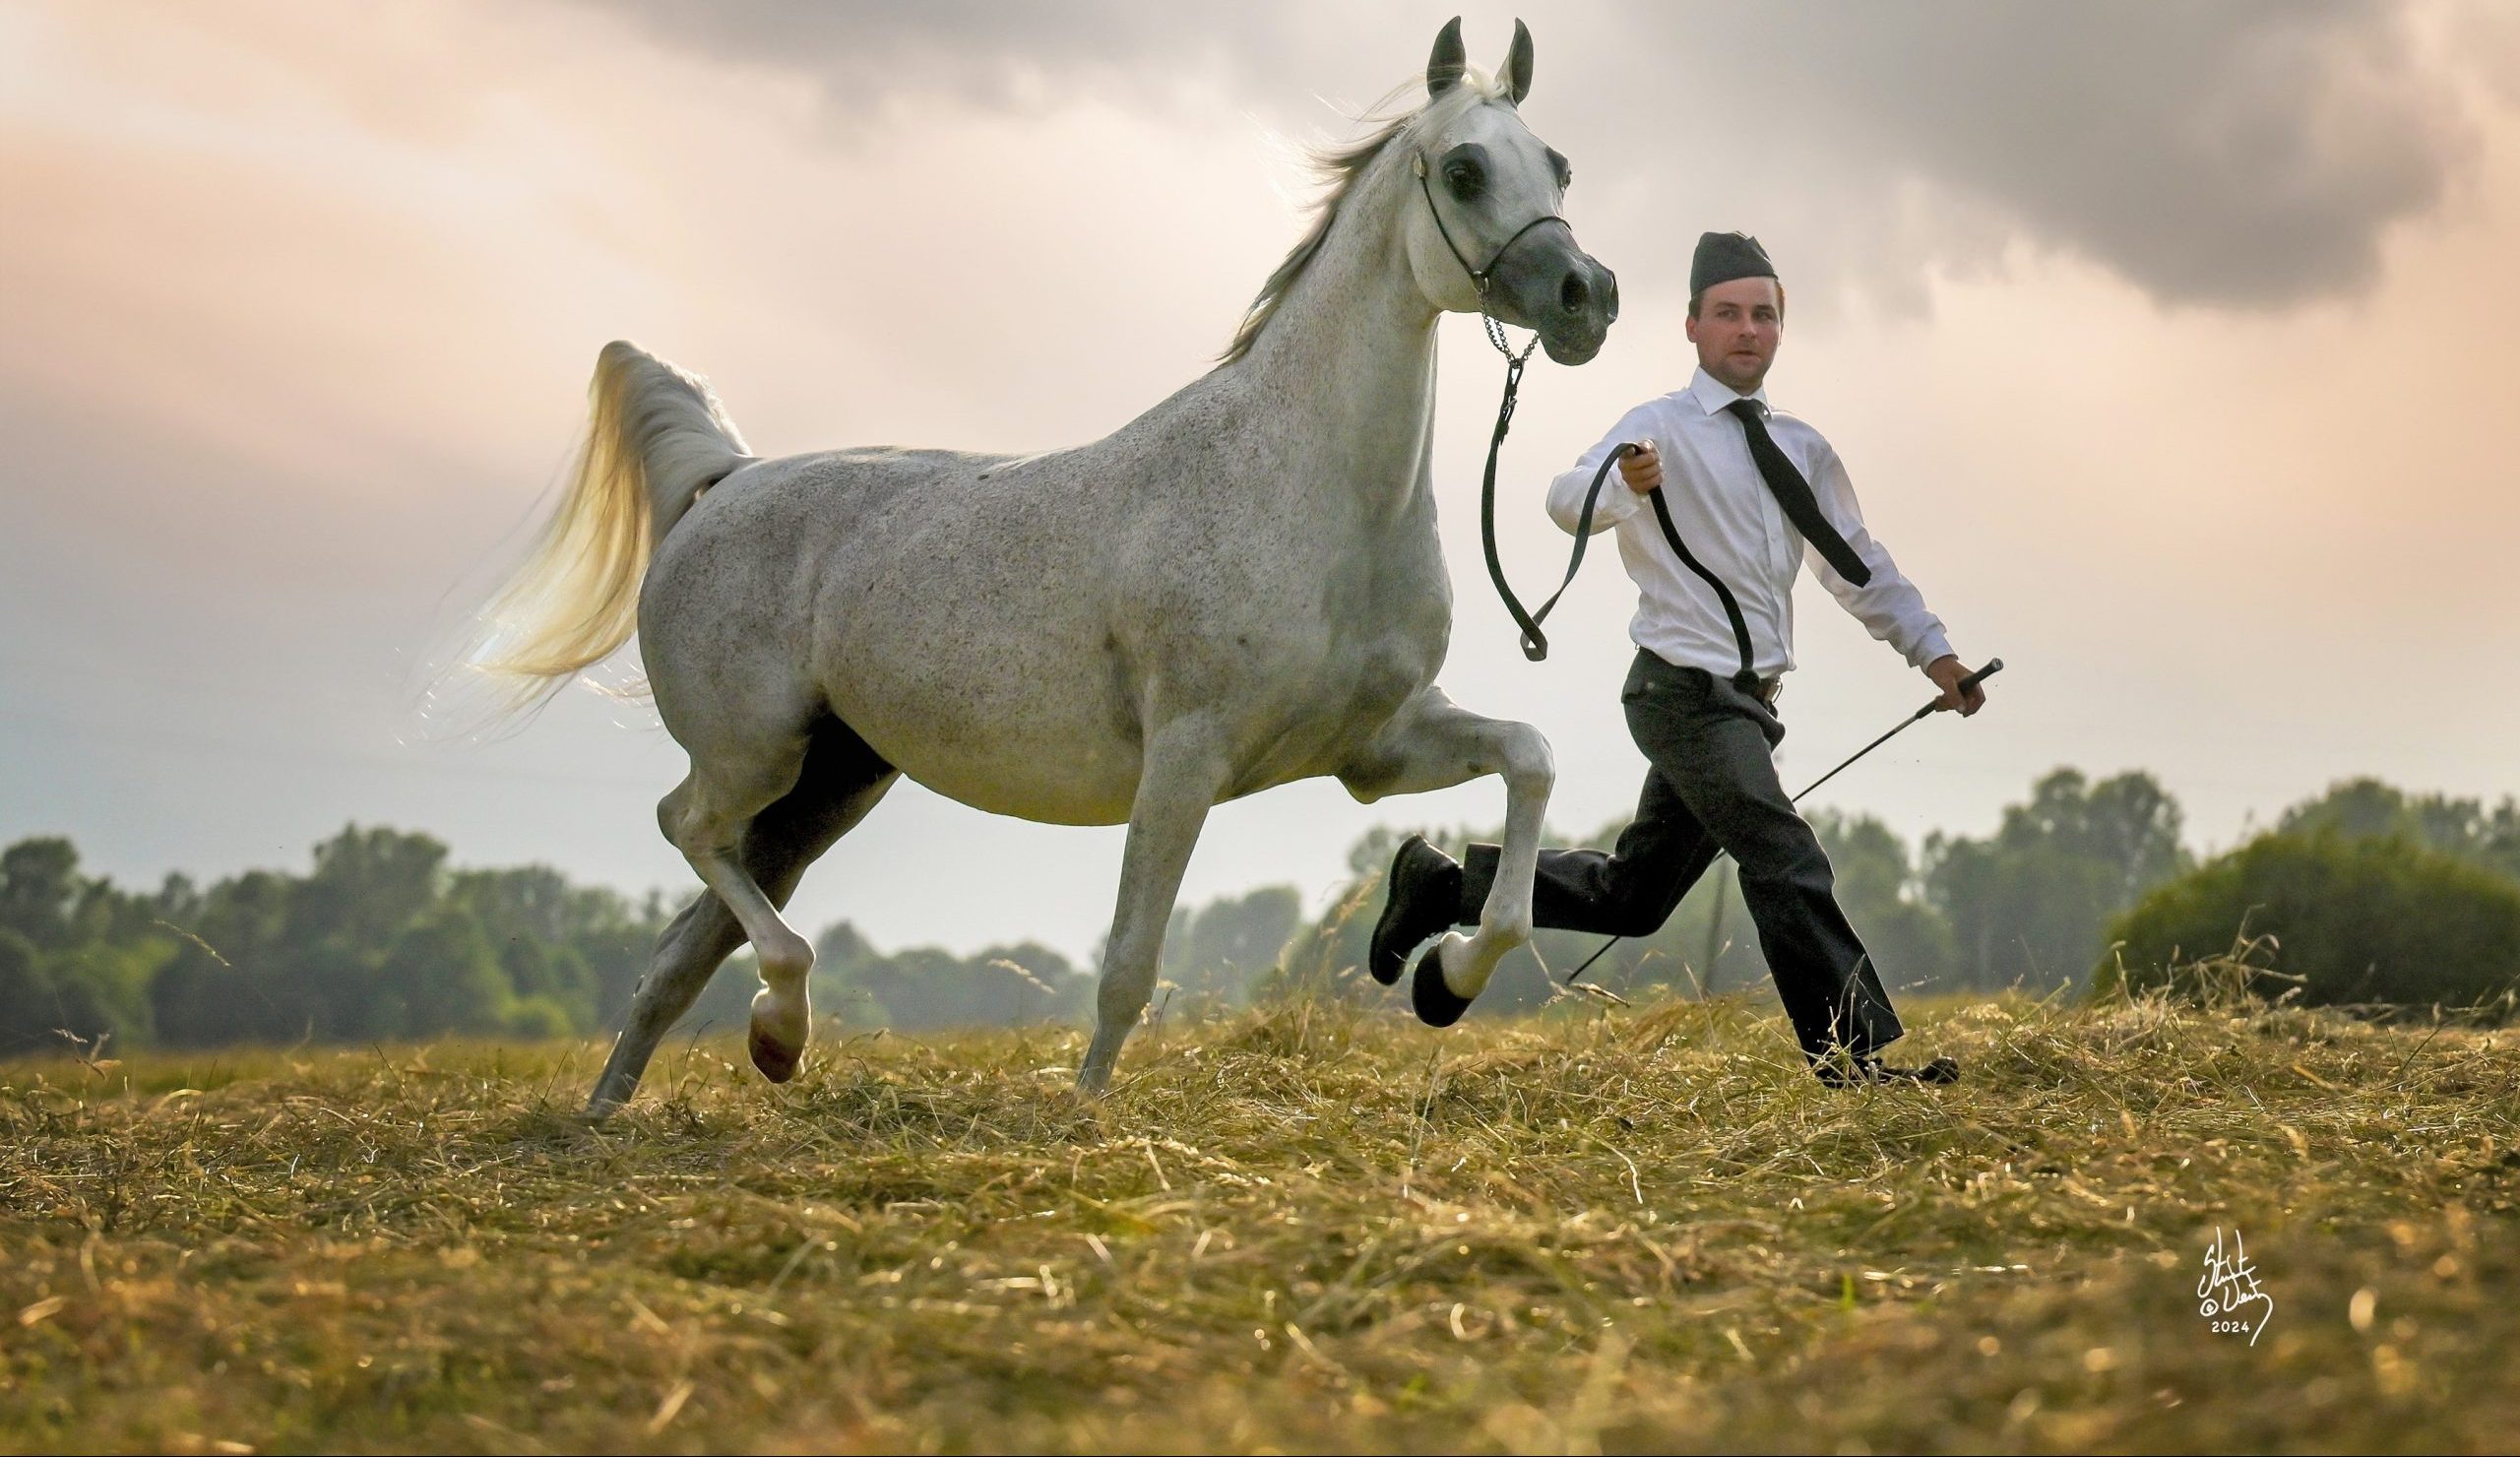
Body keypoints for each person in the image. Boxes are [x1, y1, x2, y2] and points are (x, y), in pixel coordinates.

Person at [1372, 231, 1985, 1086]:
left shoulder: (1803, 449)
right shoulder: (1654, 429)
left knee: (1635, 899)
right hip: (1681, 699)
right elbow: (1563, 499)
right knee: (1785, 856)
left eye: (1763, 315)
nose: (1747, 330)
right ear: (1693, 326)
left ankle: (1444, 887)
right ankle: (1852, 1062)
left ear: (1781, 328)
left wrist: (1936, 655)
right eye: (1728, 314)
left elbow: (1858, 568)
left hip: (1749, 708)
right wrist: (1626, 483)